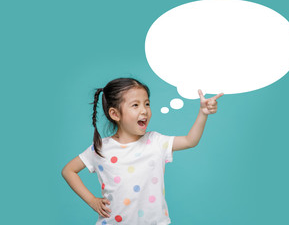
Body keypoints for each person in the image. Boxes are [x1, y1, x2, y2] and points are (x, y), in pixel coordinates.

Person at [62, 78, 224, 225]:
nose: (144, 110)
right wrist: (92, 201)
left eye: (147, 104)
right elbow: (68, 170)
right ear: (115, 114)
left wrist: (203, 113)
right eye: (135, 105)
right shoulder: (101, 147)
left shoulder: (156, 141)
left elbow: (190, 141)